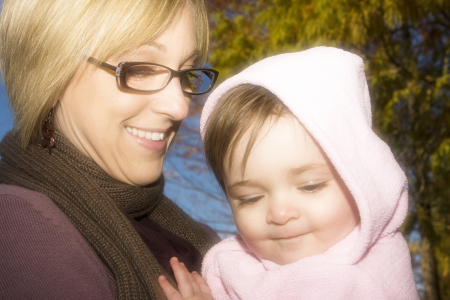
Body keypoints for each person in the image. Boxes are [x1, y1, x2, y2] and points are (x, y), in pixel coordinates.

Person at [159, 47, 420, 299]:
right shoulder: (234, 265)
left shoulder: (364, 279)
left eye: (310, 186)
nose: (280, 214)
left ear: (361, 179)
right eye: (250, 198)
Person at [0, 0, 220, 299]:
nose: (180, 107)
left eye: (187, 73)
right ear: (51, 73)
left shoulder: (206, 243)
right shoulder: (21, 229)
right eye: (141, 69)